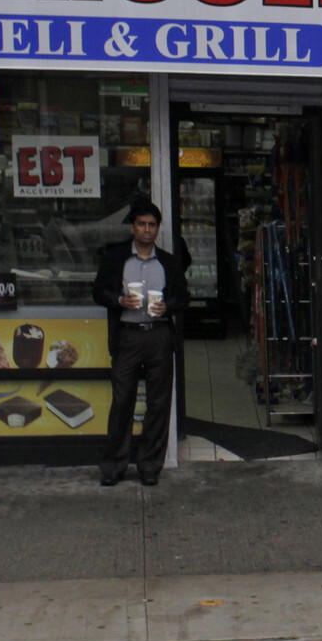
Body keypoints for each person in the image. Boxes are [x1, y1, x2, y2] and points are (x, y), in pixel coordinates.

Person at [90, 198, 186, 488]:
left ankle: (149, 465)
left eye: (152, 225)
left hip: (158, 335)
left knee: (158, 403)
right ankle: (114, 466)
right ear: (133, 228)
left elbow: (184, 297)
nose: (147, 229)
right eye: (142, 224)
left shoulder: (168, 261)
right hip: (127, 335)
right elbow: (97, 291)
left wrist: (167, 307)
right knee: (122, 401)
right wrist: (119, 300)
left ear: (157, 229)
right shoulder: (116, 258)